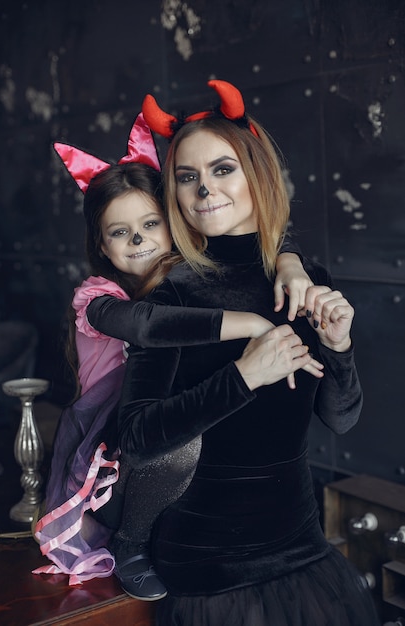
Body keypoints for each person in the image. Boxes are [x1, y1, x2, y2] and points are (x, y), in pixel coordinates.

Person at [114, 80, 380, 624]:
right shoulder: (173, 294)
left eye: (222, 169)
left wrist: (340, 346)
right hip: (211, 569)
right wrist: (244, 375)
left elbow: (342, 419)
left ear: (256, 173)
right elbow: (136, 441)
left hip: (303, 551)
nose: (204, 189)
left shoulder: (307, 281)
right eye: (187, 177)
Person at [33, 112, 321, 600]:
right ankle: (131, 542)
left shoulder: (183, 276)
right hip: (111, 446)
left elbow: (261, 239)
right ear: (100, 246)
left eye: (150, 224)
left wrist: (289, 259)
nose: (139, 239)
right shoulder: (97, 298)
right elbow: (149, 326)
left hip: (190, 471)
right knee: (179, 444)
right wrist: (252, 323)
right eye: (119, 232)